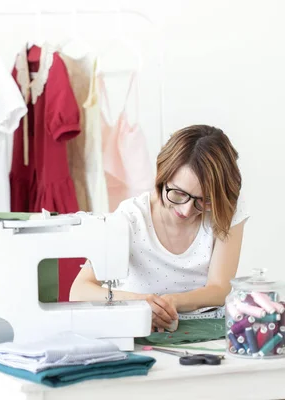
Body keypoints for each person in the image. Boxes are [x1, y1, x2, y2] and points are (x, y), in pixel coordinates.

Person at [69, 125, 249, 332]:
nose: (187, 209)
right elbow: (80, 290)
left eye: (204, 200)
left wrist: (172, 302)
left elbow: (219, 288)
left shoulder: (224, 207)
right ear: (162, 177)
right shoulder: (130, 218)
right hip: (140, 325)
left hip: (206, 326)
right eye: (179, 193)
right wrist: (141, 302)